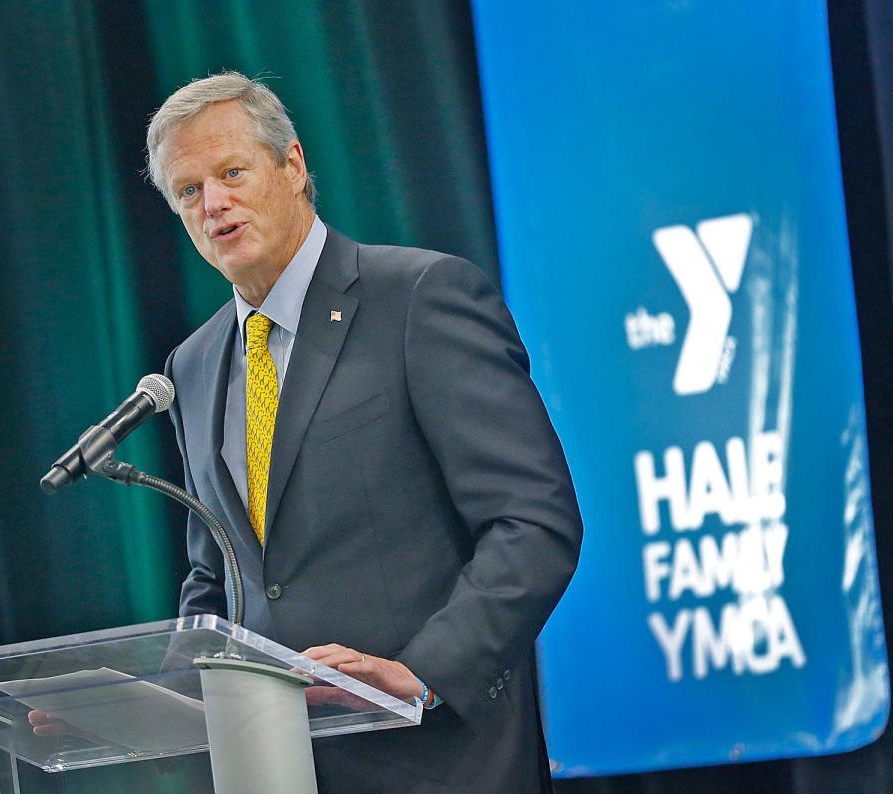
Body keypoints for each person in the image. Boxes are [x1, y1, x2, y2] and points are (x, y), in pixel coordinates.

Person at [147, 71, 582, 793]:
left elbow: (533, 520)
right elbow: (215, 575)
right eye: (189, 192)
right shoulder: (190, 366)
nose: (214, 203)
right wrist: (154, 702)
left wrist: (424, 673)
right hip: (279, 770)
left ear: (292, 166)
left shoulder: (419, 297)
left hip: (435, 759)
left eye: (231, 173)